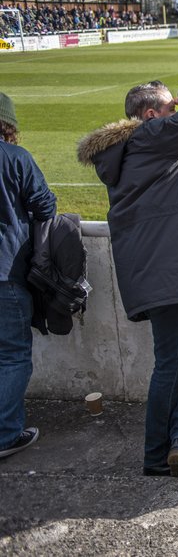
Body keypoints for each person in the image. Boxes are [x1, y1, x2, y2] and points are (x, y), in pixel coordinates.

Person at [77, 81, 178, 479]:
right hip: (170, 271)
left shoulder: (135, 149)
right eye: (168, 107)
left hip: (163, 270)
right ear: (149, 115)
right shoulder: (149, 137)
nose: (175, 111)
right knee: (172, 362)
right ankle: (157, 452)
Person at [0, 92, 56, 461]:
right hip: (5, 273)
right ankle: (6, 434)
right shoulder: (15, 158)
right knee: (13, 356)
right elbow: (46, 206)